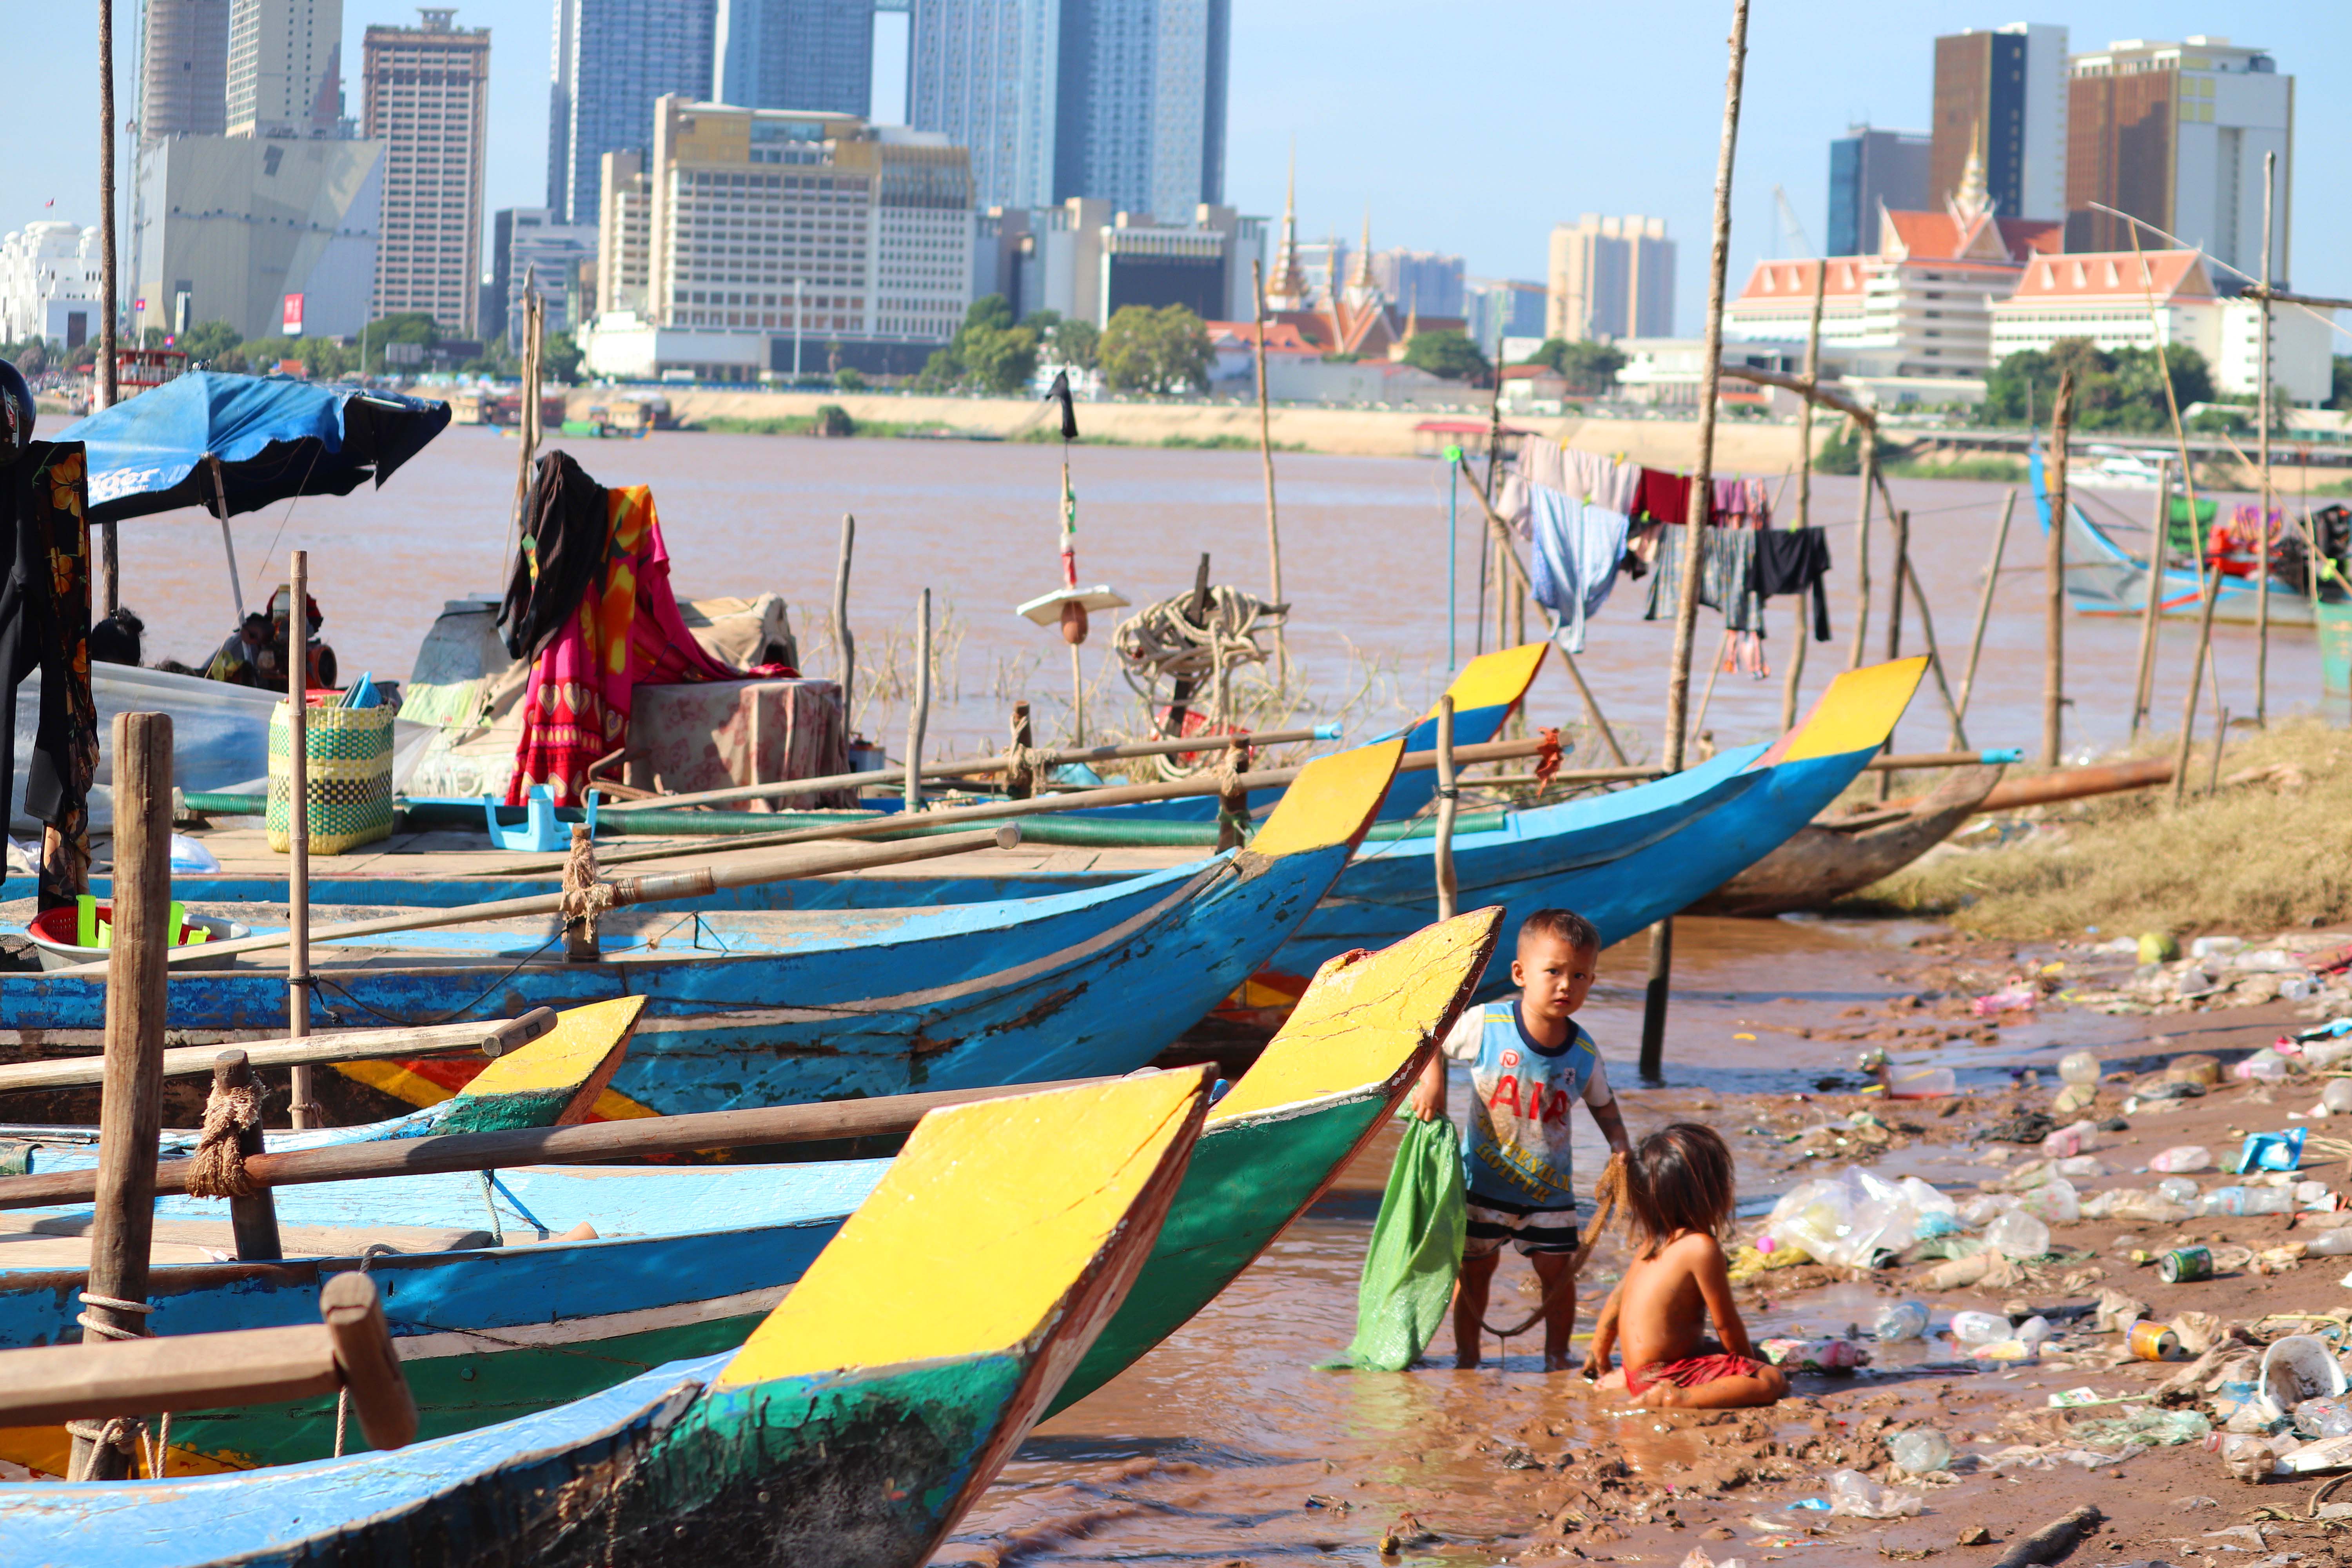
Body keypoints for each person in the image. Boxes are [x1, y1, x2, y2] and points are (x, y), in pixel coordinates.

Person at [1406, 907, 1631, 1371]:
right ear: (1521, 973)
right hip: (1483, 1185)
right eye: (1554, 971)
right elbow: (1431, 1037)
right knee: (1475, 1273)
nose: (1567, 985)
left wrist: (1620, 1146)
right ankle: (1468, 1358)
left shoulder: (1584, 1052)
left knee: (1558, 1275)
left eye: (1581, 975)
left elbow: (1603, 1104)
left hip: (1549, 1192)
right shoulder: (1486, 1026)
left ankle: (1555, 1357)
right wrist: (1433, 1085)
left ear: (1592, 980)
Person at [1581, 1123, 1788, 1409]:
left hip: (1639, 1373)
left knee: (1759, 1356)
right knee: (1771, 1379)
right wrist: (1746, 1367)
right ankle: (1673, 1399)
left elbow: (1617, 1301)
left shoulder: (1651, 1245)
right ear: (1708, 1193)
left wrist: (1599, 1357)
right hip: (1665, 1375)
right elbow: (1726, 1324)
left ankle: (1630, 1382)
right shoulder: (1701, 1247)